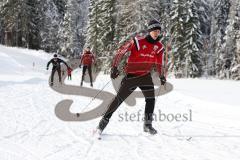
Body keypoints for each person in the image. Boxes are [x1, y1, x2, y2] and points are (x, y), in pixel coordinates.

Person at [96, 20, 167, 136]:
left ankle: (147, 125)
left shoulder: (158, 47)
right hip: (132, 76)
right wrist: (114, 67)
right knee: (118, 100)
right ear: (149, 31)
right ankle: (102, 124)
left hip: (145, 76)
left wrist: (162, 75)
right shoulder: (138, 41)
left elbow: (159, 63)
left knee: (151, 99)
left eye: (158, 31)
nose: (156, 33)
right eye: (154, 30)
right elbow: (121, 52)